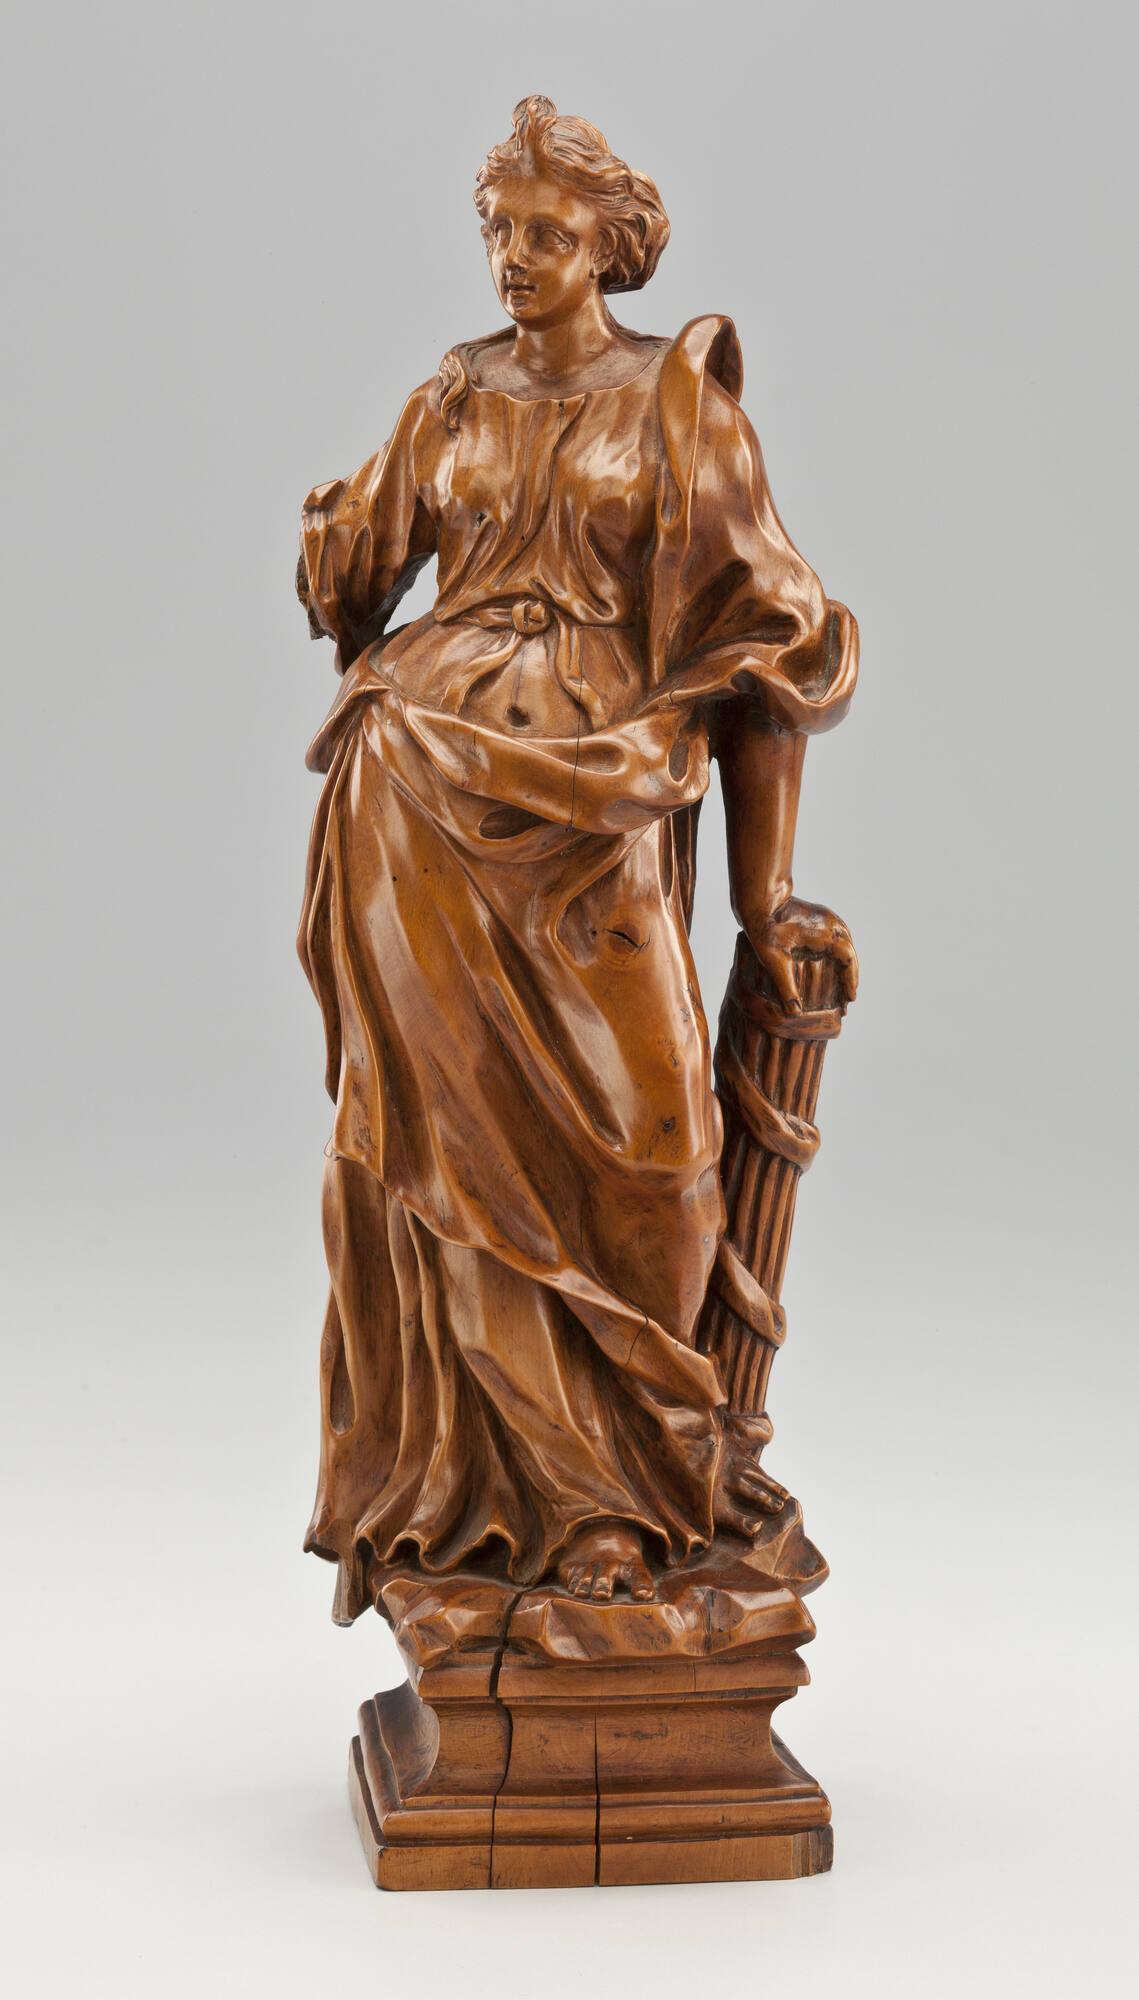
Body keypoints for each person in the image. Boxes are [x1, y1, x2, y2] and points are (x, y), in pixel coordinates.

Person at [296, 96, 858, 1622]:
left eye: (548, 231)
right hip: (418, 803)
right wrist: (335, 540)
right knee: (450, 1158)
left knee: (655, 1147)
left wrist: (762, 898)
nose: (516, 255)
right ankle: (539, 1511)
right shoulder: (453, 398)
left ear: (614, 243)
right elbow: (361, 570)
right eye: (498, 227)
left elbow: (768, 651)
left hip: (600, 806)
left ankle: (653, 1479)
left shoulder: (678, 408)